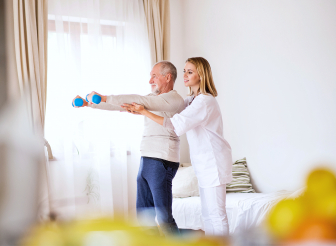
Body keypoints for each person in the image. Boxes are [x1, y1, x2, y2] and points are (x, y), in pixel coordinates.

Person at [122, 57, 233, 236]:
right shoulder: (191, 101)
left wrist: (144, 111)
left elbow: (174, 124)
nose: (184, 75)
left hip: (213, 163)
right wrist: (138, 109)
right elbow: (168, 112)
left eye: (190, 72)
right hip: (204, 164)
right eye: (184, 71)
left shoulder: (205, 101)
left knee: (216, 214)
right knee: (207, 215)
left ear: (202, 75)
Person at [72, 61, 185, 236]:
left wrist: (104, 97)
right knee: (144, 217)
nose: (150, 81)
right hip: (147, 159)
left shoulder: (174, 99)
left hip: (162, 159)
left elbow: (140, 100)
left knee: (164, 218)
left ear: (167, 77)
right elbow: (122, 106)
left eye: (154, 76)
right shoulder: (152, 99)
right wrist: (91, 104)